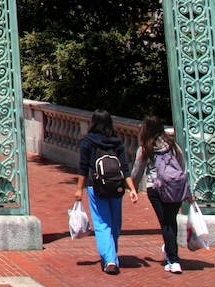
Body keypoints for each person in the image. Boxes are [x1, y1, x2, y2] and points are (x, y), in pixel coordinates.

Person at [75, 109, 139, 274]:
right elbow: (124, 168)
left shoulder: (87, 142)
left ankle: (110, 259)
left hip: (95, 186)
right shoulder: (116, 142)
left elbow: (83, 168)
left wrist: (78, 190)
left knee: (102, 223)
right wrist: (132, 188)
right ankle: (111, 256)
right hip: (116, 186)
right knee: (115, 223)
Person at [131, 115, 192, 274]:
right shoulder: (172, 145)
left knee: (165, 223)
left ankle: (173, 260)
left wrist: (133, 188)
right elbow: (182, 164)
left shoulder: (146, 147)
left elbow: (137, 170)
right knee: (171, 221)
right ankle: (171, 251)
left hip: (156, 188)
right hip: (175, 186)